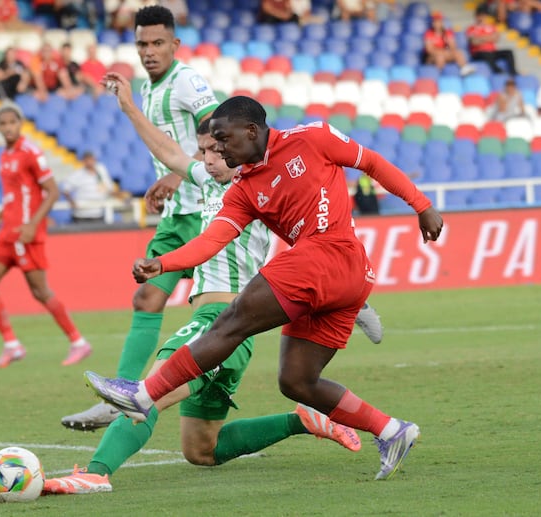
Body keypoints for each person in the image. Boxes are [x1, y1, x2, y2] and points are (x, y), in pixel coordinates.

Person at [84, 95, 444, 481]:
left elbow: (371, 162)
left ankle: (143, 395)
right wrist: (164, 263)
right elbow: (212, 240)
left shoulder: (313, 138)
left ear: (252, 131)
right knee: (297, 381)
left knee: (231, 321)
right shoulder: (242, 189)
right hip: (345, 277)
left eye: (224, 139)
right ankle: (391, 430)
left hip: (329, 254)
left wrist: (421, 204)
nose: (219, 148)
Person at [42, 74, 361, 494]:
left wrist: (348, 299)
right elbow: (169, 153)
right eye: (205, 150)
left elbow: (314, 251)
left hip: (220, 322)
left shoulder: (260, 195)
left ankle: (96, 473)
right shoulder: (211, 184)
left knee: (147, 395)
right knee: (201, 449)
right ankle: (302, 419)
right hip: (227, 335)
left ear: (239, 148)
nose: (209, 158)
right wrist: (129, 108)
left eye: (217, 149)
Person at [60, 4, 220, 431]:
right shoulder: (148, 89)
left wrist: (175, 174)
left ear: (175, 44)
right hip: (177, 215)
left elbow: (219, 132)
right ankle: (120, 396)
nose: (149, 51)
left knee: (240, 303)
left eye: (157, 43)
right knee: (147, 297)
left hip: (207, 212)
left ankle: (336, 296)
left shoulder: (187, 81)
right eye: (142, 44)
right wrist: (164, 183)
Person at [0, 102, 92, 368]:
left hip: (26, 235)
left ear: (20, 124)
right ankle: (12, 345)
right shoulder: (5, 155)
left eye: (12, 122)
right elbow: (17, 193)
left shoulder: (31, 152)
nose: (8, 127)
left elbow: (52, 191)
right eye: (3, 123)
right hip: (7, 232)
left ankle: (78, 342)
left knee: (40, 292)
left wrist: (32, 224)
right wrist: (2, 213)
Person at [59, 150, 128, 222]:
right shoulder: (78, 174)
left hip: (98, 213)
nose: (89, 162)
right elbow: (65, 189)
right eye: (87, 160)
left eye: (91, 159)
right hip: (81, 215)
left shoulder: (101, 171)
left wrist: (120, 195)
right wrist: (71, 202)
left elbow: (108, 190)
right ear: (83, 161)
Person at [466, 8, 518, 76]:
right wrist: (489, 37)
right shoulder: (471, 28)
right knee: (486, 54)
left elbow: (496, 38)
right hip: (479, 53)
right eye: (480, 16)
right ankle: (497, 71)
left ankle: (513, 72)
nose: (482, 18)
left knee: (509, 52)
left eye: (483, 16)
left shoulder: (490, 27)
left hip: (492, 51)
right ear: (476, 16)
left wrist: (480, 38)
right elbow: (474, 42)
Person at [422, 11, 474, 75]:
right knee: (440, 57)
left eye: (439, 21)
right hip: (432, 56)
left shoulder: (447, 32)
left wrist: (449, 49)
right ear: (432, 23)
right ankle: (438, 75)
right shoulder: (428, 33)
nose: (437, 23)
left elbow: (453, 46)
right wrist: (443, 52)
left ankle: (465, 69)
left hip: (445, 54)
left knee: (458, 53)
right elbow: (429, 50)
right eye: (435, 21)